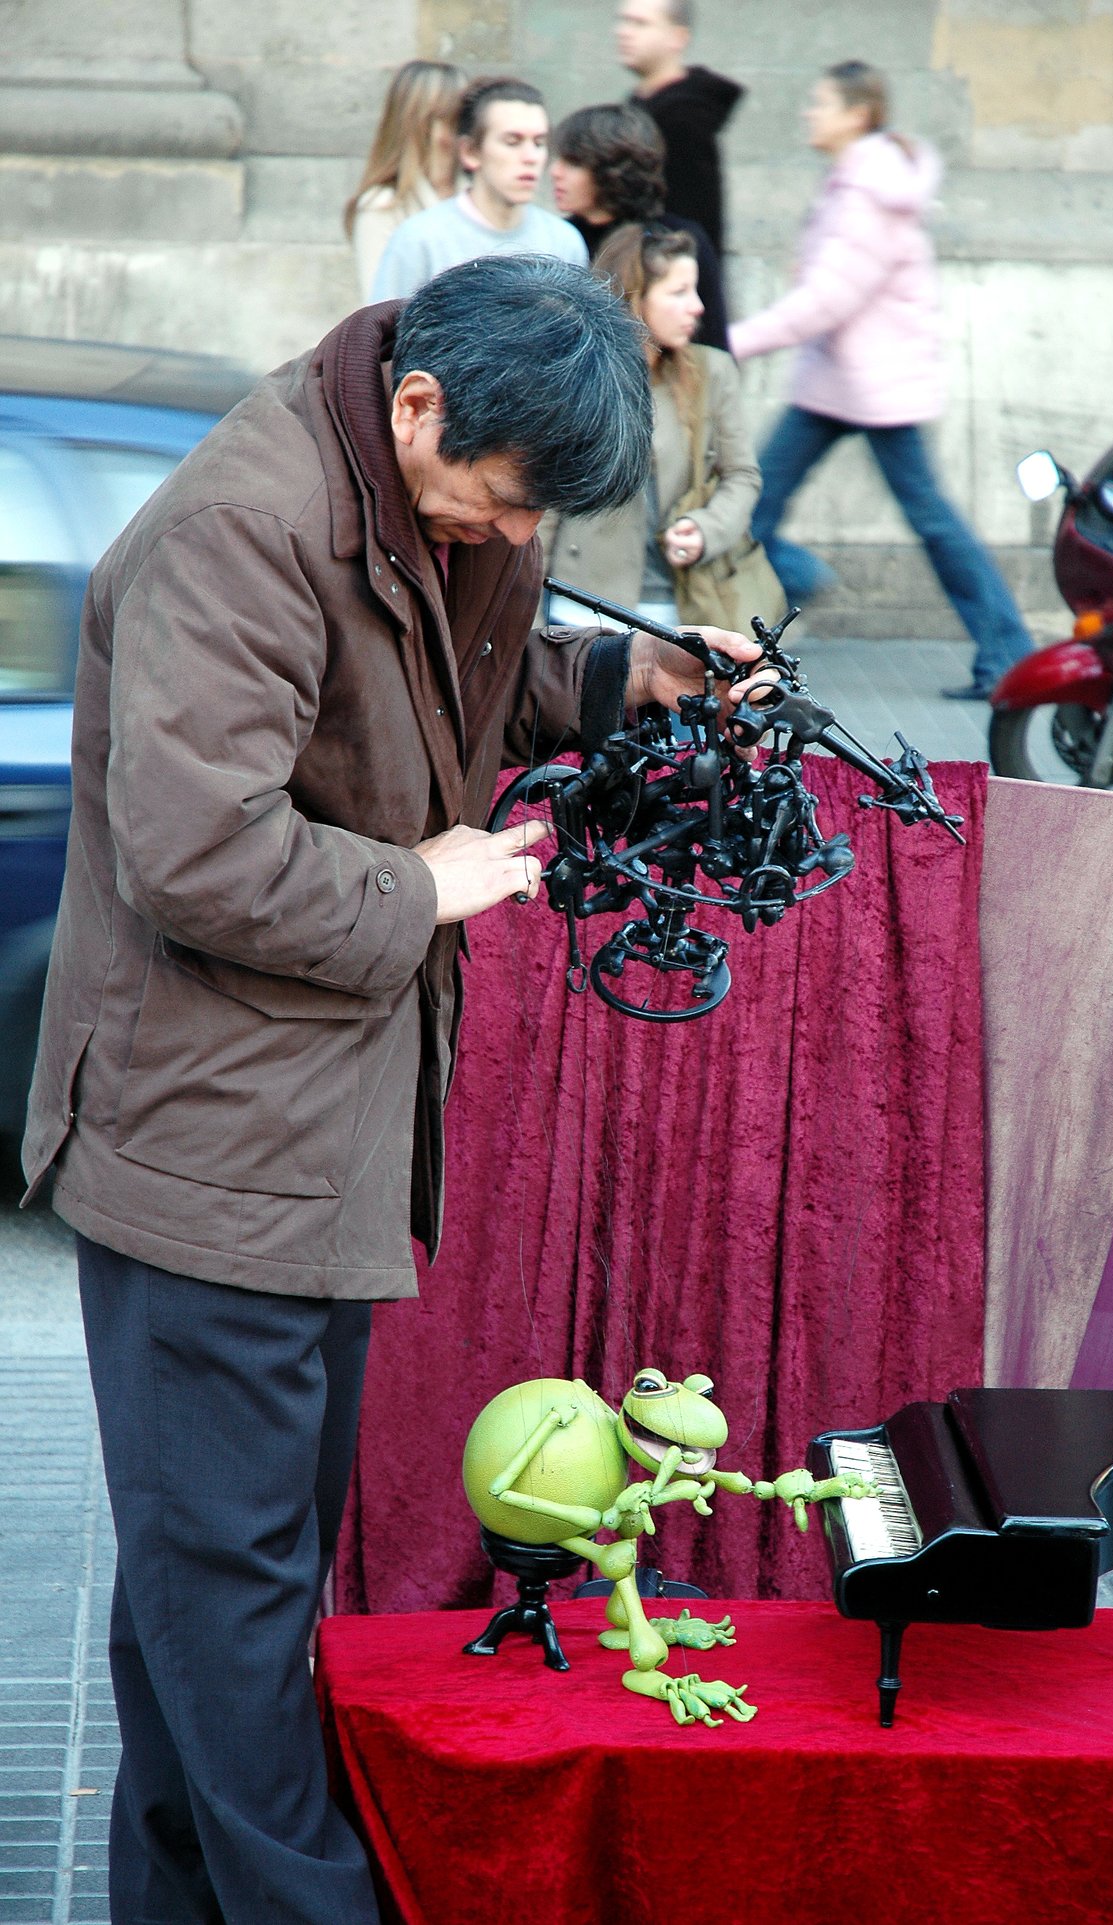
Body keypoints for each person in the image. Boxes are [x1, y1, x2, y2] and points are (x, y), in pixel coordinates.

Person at [21, 253, 762, 1924]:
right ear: (416, 404)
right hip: (204, 1145)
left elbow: (445, 690)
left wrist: (612, 681)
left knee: (209, 1593)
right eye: (498, 505)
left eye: (531, 523)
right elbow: (198, 852)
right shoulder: (243, 528)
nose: (508, 538)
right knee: (231, 1598)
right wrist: (418, 890)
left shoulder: (430, 484)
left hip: (306, 1124)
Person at [729, 59, 1033, 699]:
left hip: (872, 387)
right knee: (754, 504)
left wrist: (734, 343)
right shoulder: (855, 181)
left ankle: (1006, 656)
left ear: (857, 114)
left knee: (926, 519)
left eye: (822, 102)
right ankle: (796, 578)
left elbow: (827, 299)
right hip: (838, 380)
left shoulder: (868, 189)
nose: (809, 112)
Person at [544, 224, 759, 632]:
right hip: (584, 609)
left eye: (694, 291)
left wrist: (705, 529)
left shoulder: (712, 372)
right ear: (635, 299)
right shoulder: (578, 377)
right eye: (678, 293)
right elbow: (545, 504)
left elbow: (742, 476)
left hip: (683, 607)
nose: (697, 306)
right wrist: (527, 618)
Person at [372, 76, 586, 299]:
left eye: (539, 143)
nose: (531, 157)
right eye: (512, 142)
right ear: (470, 152)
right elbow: (383, 326)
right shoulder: (420, 240)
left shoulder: (564, 242)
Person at [549, 100, 729, 351]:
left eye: (573, 163)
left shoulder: (675, 238)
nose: (555, 172)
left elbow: (712, 344)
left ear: (611, 170)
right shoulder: (557, 239)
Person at [617, 0, 743, 259]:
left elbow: (693, 219)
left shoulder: (684, 117)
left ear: (677, 37)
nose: (623, 32)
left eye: (640, 23)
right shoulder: (640, 106)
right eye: (624, 21)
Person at [345, 59, 466, 302]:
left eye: (465, 120)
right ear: (418, 126)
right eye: (450, 120)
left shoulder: (475, 197)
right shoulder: (381, 207)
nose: (461, 133)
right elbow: (381, 312)